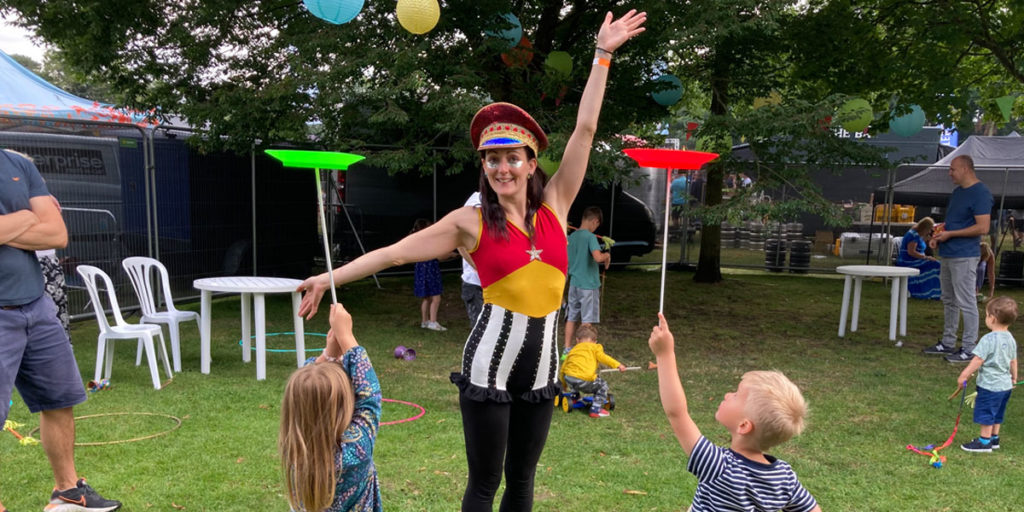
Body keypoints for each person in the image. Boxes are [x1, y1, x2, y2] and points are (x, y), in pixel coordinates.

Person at [295, 11, 647, 510]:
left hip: (543, 368)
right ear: (483, 165)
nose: (502, 167)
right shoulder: (470, 222)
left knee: (523, 482)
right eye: (491, 158)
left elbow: (585, 130)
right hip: (489, 368)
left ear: (530, 162)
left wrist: (602, 54)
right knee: (485, 484)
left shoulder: (557, 205)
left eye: (512, 157)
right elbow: (393, 253)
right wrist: (325, 276)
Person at [0, 149, 121, 511]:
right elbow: (40, 225)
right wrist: (26, 216)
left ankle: (68, 489)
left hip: (36, 305)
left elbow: (56, 233)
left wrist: (9, 225)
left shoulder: (17, 164)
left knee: (59, 400)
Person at [647, 313, 820, 512]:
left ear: (744, 426)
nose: (728, 394)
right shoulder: (783, 476)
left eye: (737, 394)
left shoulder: (719, 466)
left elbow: (676, 412)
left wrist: (664, 354)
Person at [279, 303, 381, 512]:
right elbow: (370, 398)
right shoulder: (354, 451)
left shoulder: (295, 446)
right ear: (346, 406)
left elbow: (306, 384)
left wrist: (329, 354)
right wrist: (346, 337)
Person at [924, 155, 994, 363]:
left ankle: (970, 347)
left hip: (964, 255)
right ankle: (947, 342)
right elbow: (954, 222)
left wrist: (951, 235)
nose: (950, 173)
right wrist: (939, 235)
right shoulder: (957, 193)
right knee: (949, 299)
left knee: (966, 301)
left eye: (953, 169)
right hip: (948, 252)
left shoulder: (980, 193)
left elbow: (983, 227)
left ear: (965, 169)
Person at [956, 296, 1018, 453]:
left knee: (987, 412)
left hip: (990, 385)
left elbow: (978, 360)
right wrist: (1014, 378)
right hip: (1005, 386)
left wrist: (964, 374)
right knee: (997, 412)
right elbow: (1013, 361)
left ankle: (984, 443)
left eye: (986, 315)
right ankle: (994, 438)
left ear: (993, 318)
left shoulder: (988, 339)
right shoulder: (1010, 338)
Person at [563, 206, 611, 354]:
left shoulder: (572, 237)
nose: (596, 228)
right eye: (597, 225)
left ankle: (566, 349)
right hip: (588, 285)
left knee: (571, 316)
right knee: (586, 319)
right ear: (595, 221)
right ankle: (584, 351)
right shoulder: (590, 237)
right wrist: (607, 256)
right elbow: (597, 257)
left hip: (574, 283)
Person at [558, 324, 625, 418]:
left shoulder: (572, 350)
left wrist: (563, 384)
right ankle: (595, 409)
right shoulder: (595, 348)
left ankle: (574, 397)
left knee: (574, 379)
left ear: (577, 340)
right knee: (602, 385)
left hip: (569, 377)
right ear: (595, 341)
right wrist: (618, 365)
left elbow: (563, 367)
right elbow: (605, 358)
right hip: (584, 379)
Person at [410, 218, 453, 331]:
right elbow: (439, 256)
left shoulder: (416, 240)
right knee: (436, 298)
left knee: (426, 298)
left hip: (421, 270)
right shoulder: (429, 240)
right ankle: (433, 322)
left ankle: (424, 321)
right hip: (430, 271)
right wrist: (451, 254)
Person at [896, 217, 941, 300]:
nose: (930, 232)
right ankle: (931, 292)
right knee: (936, 265)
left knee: (936, 263)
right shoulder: (914, 235)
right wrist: (926, 257)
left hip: (914, 259)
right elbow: (911, 252)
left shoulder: (917, 234)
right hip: (909, 261)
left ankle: (933, 290)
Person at [458, 192, 484, 326]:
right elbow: (460, 243)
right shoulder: (476, 203)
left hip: (498, 284)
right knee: (481, 334)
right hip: (477, 284)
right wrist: (479, 268)